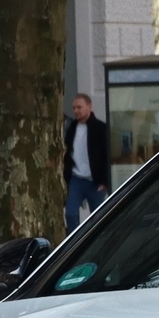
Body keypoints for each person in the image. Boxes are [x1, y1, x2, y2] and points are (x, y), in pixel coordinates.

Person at [64, 93, 111, 228]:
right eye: (74, 108)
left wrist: (105, 181)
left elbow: (106, 155)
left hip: (95, 182)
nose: (76, 111)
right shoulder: (71, 128)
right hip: (76, 179)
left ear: (89, 107)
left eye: (79, 107)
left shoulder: (101, 128)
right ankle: (74, 242)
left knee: (98, 218)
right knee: (70, 213)